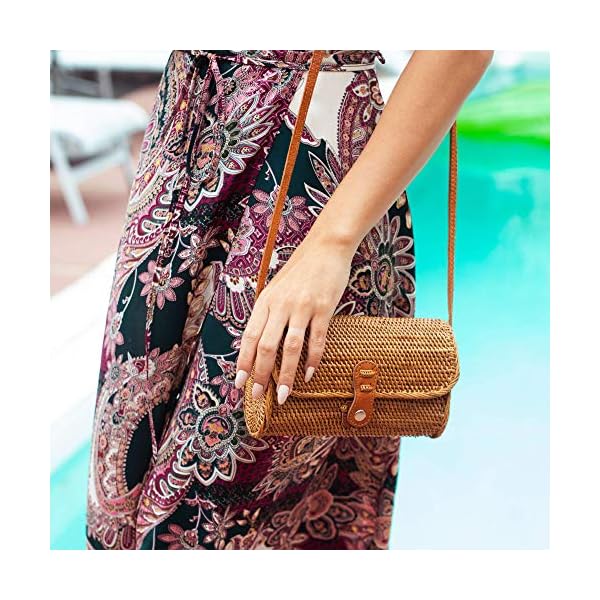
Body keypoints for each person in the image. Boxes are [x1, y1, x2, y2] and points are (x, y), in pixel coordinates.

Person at [85, 49, 493, 550]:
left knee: (211, 522)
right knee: (126, 493)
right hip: (178, 155)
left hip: (301, 186)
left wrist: (333, 242)